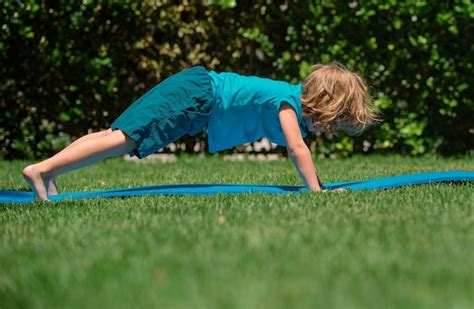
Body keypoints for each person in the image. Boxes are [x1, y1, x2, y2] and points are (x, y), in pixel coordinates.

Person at [23, 63, 377, 200]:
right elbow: (298, 150)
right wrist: (316, 191)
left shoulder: (290, 104)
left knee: (116, 132)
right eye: (333, 122)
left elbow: (301, 141)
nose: (328, 130)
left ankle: (48, 171)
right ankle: (41, 170)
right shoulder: (288, 103)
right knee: (124, 139)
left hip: (195, 94)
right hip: (196, 95)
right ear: (323, 103)